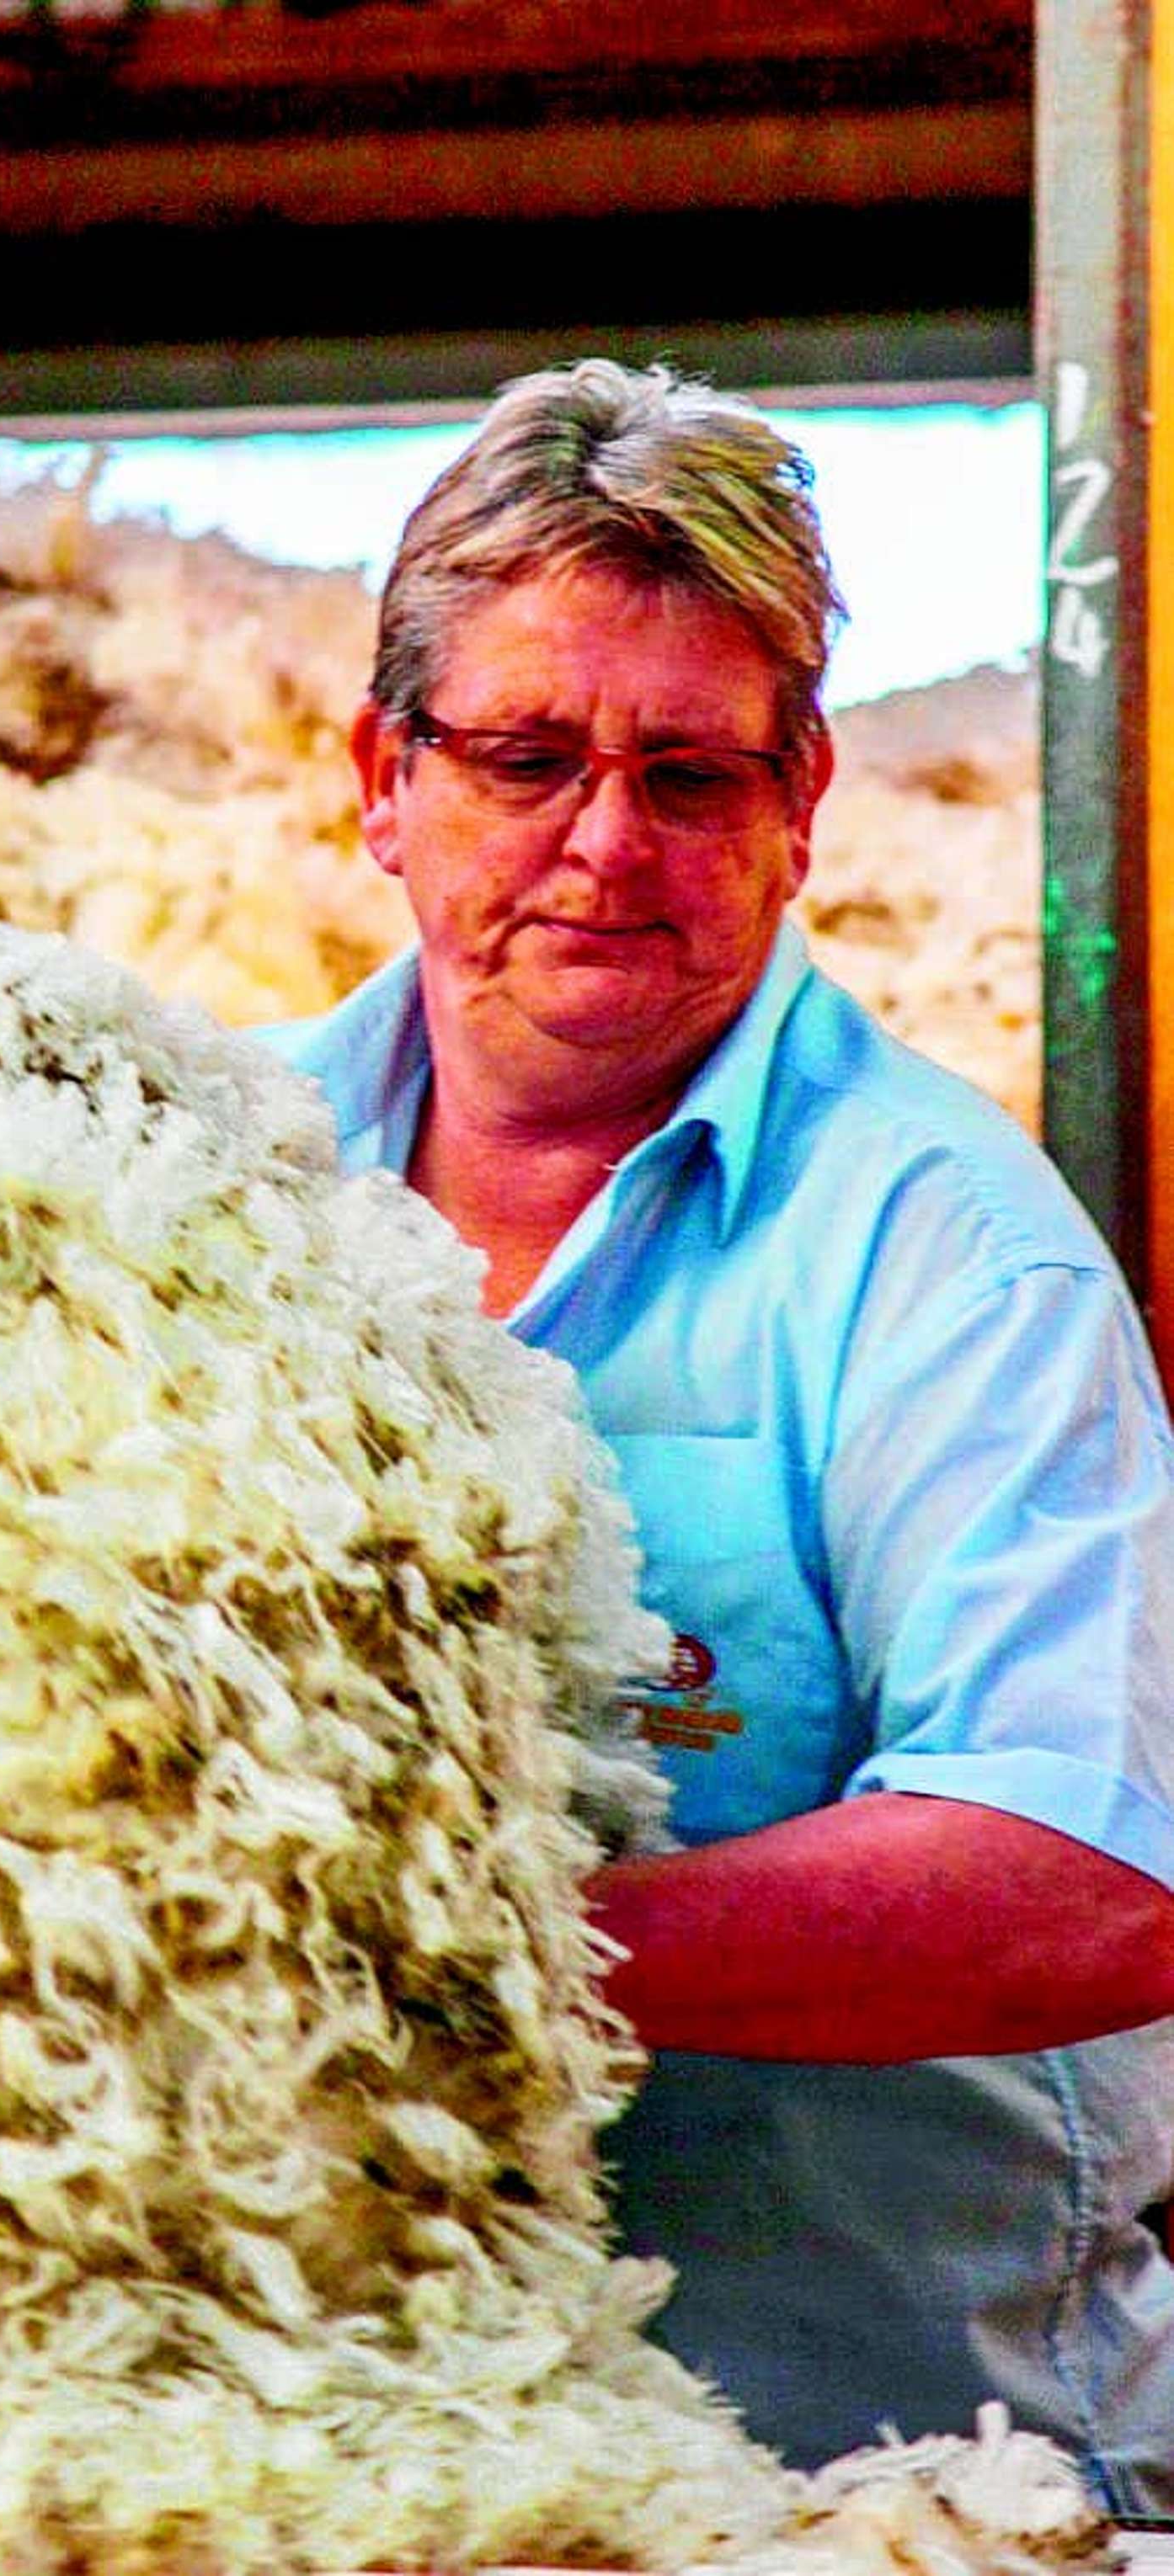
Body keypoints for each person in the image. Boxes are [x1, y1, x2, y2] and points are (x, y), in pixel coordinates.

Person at [256, 359, 1174, 2512]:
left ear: (798, 806)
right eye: (523, 758)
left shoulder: (948, 1262)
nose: (604, 845)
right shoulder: (199, 1197)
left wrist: (422, 1947)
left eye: (687, 775)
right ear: (382, 779)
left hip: (880, 2482)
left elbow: (1088, 1873)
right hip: (343, 2466)